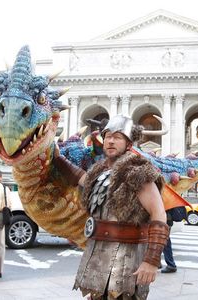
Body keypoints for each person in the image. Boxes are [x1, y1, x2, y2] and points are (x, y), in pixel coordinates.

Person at [54, 115, 168, 300]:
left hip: (126, 261)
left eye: (118, 137)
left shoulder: (138, 172)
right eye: (107, 136)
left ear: (129, 143)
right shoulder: (100, 171)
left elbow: (159, 214)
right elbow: (83, 179)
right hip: (97, 256)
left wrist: (152, 261)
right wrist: (58, 160)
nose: (111, 141)